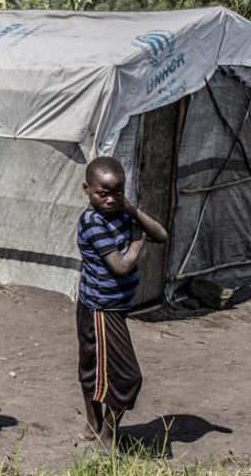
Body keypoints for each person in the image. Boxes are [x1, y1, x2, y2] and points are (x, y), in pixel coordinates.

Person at [76, 156, 168, 452]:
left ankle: (93, 424)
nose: (111, 199)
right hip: (102, 308)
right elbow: (120, 266)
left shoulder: (122, 214)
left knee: (92, 365)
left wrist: (132, 210)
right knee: (128, 377)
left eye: (118, 192)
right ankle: (107, 432)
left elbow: (161, 234)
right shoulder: (92, 222)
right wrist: (137, 243)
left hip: (105, 305)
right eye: (103, 193)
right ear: (86, 189)